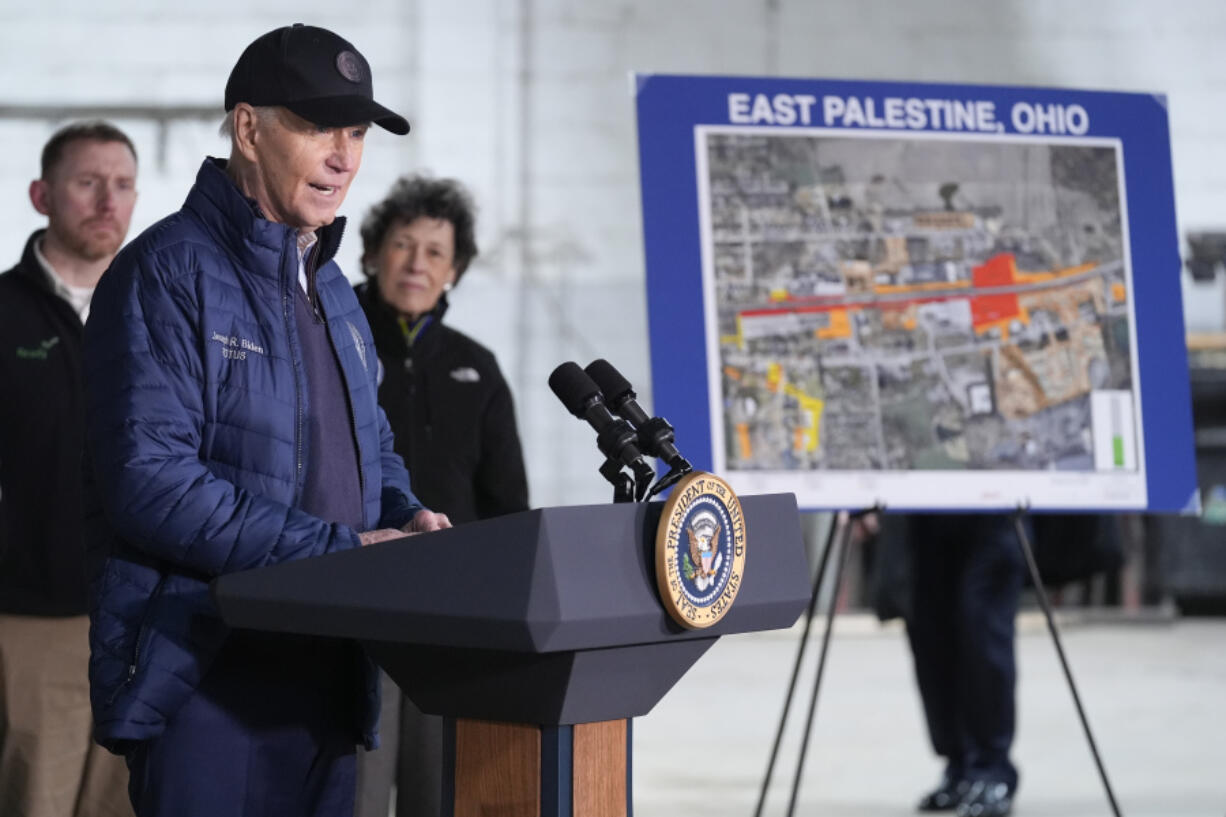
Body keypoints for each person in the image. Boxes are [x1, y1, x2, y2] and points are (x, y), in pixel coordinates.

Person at [81, 24, 450, 817]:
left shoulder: (339, 293)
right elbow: (151, 482)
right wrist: (340, 551)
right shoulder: (165, 273)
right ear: (249, 129)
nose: (345, 156)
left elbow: (370, 448)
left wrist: (403, 516)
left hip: (329, 680)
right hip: (209, 683)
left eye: (355, 132)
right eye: (318, 126)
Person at [352, 175, 529, 817]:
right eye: (403, 245)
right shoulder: (328, 341)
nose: (417, 263)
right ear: (373, 254)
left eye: (435, 251)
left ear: (453, 269)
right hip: (350, 606)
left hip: (450, 622)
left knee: (442, 794)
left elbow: (508, 501)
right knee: (356, 794)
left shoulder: (475, 367)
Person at [0, 121, 139, 817]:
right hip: (32, 615)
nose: (107, 202)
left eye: (122, 185)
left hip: (144, 616)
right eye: (87, 183)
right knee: (36, 798)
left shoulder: (156, 315)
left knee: (125, 803)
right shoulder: (3, 313)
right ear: (41, 195)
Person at [905, 514, 1024, 817]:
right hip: (920, 506)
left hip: (989, 504)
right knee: (932, 634)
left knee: (982, 632)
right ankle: (960, 766)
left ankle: (991, 769)